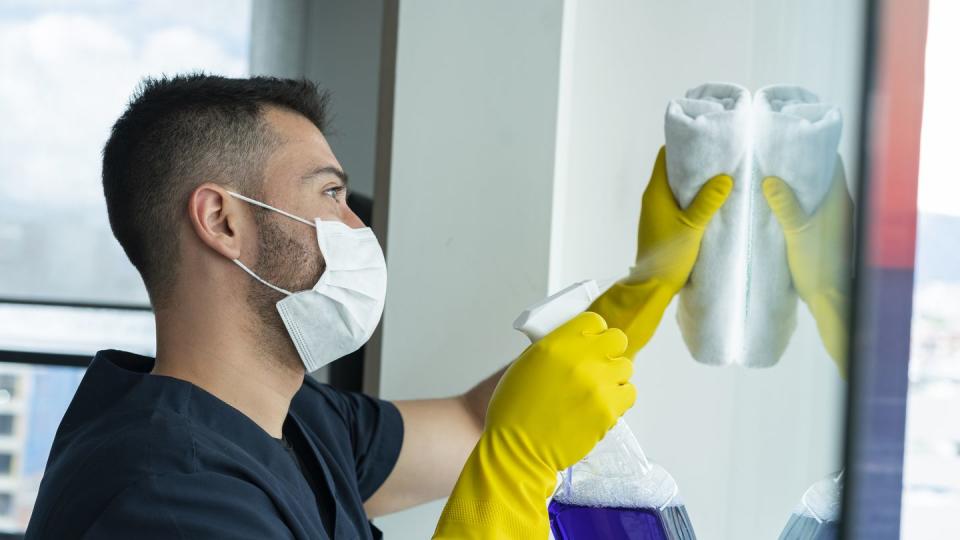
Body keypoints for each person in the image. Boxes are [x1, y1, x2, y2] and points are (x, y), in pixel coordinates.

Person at [24, 74, 734, 539]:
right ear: (223, 221)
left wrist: (648, 283)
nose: (361, 228)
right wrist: (512, 469)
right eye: (330, 194)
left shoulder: (295, 420)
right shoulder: (165, 500)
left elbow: (479, 422)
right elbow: (507, 442)